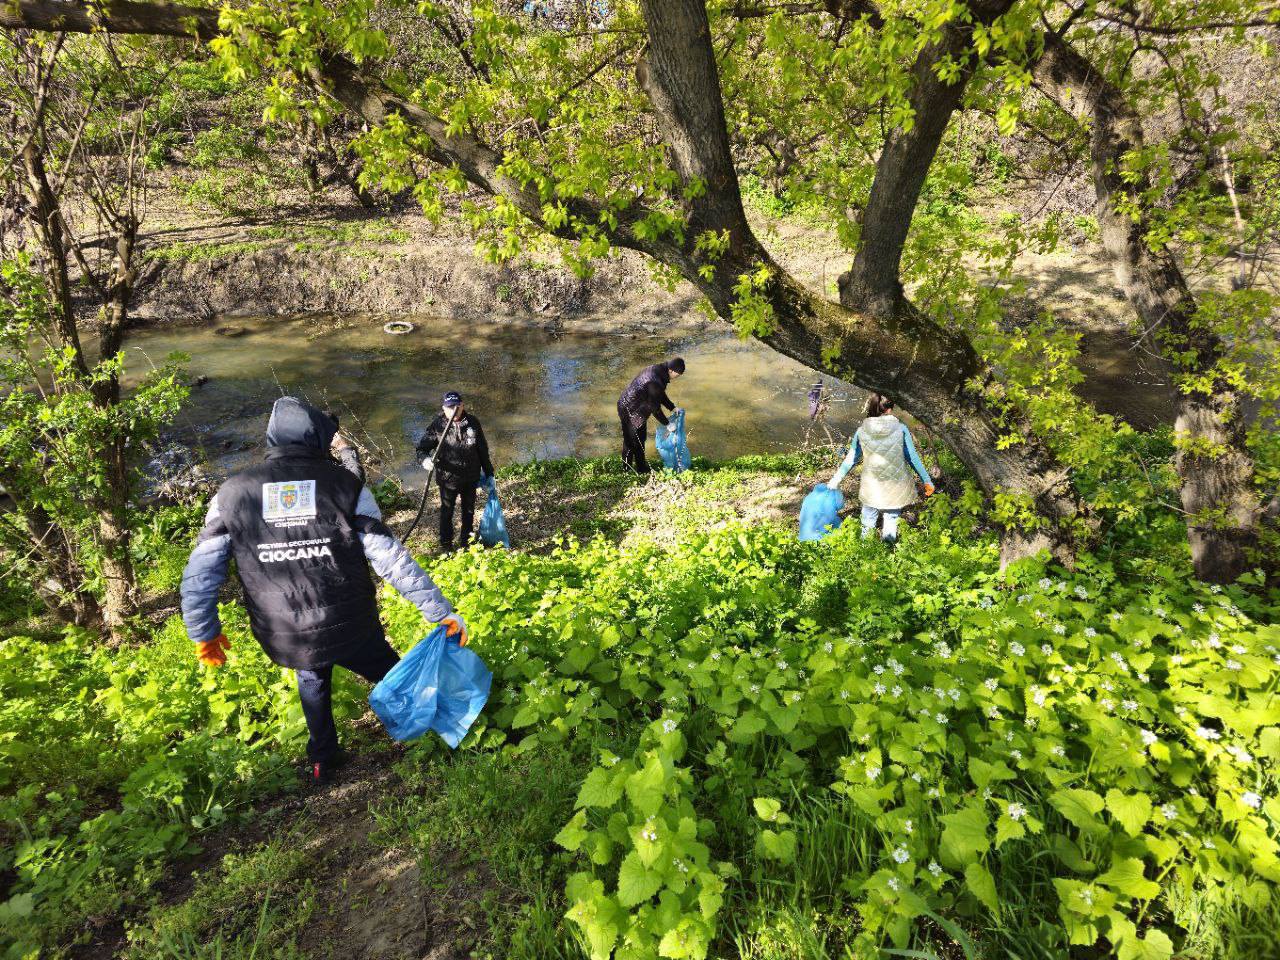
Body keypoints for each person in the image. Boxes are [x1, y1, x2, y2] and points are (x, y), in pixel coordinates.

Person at [180, 397, 469, 785]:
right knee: (389, 671)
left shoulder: (231, 495)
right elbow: (391, 560)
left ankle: (322, 759)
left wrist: (204, 632)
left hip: (287, 631)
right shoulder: (345, 486)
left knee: (312, 678)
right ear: (316, 437)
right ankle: (444, 726)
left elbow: (201, 572)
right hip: (350, 623)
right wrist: (440, 611)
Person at [827, 393, 934, 544]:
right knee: (891, 518)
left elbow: (850, 459)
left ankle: (866, 548)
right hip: (895, 483)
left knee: (868, 518)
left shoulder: (861, 431)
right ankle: (888, 548)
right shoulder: (901, 429)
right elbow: (912, 458)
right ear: (889, 409)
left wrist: (834, 481)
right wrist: (927, 480)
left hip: (871, 485)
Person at [416, 391, 495, 552]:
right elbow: (422, 449)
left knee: (469, 511)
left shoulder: (472, 422)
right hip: (448, 480)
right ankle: (446, 544)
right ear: (444, 408)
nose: (453, 410)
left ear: (462, 405)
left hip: (470, 478)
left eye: (456, 406)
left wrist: (489, 474)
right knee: (447, 512)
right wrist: (424, 460)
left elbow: (482, 450)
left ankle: (466, 542)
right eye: (449, 407)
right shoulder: (438, 425)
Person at [617, 357, 684, 474]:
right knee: (630, 442)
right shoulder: (655, 381)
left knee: (640, 438)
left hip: (638, 408)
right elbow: (655, 408)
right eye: (677, 375)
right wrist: (667, 424)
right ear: (671, 370)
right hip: (629, 410)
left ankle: (641, 468)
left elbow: (659, 394)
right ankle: (626, 470)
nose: (676, 378)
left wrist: (672, 407)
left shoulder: (659, 371)